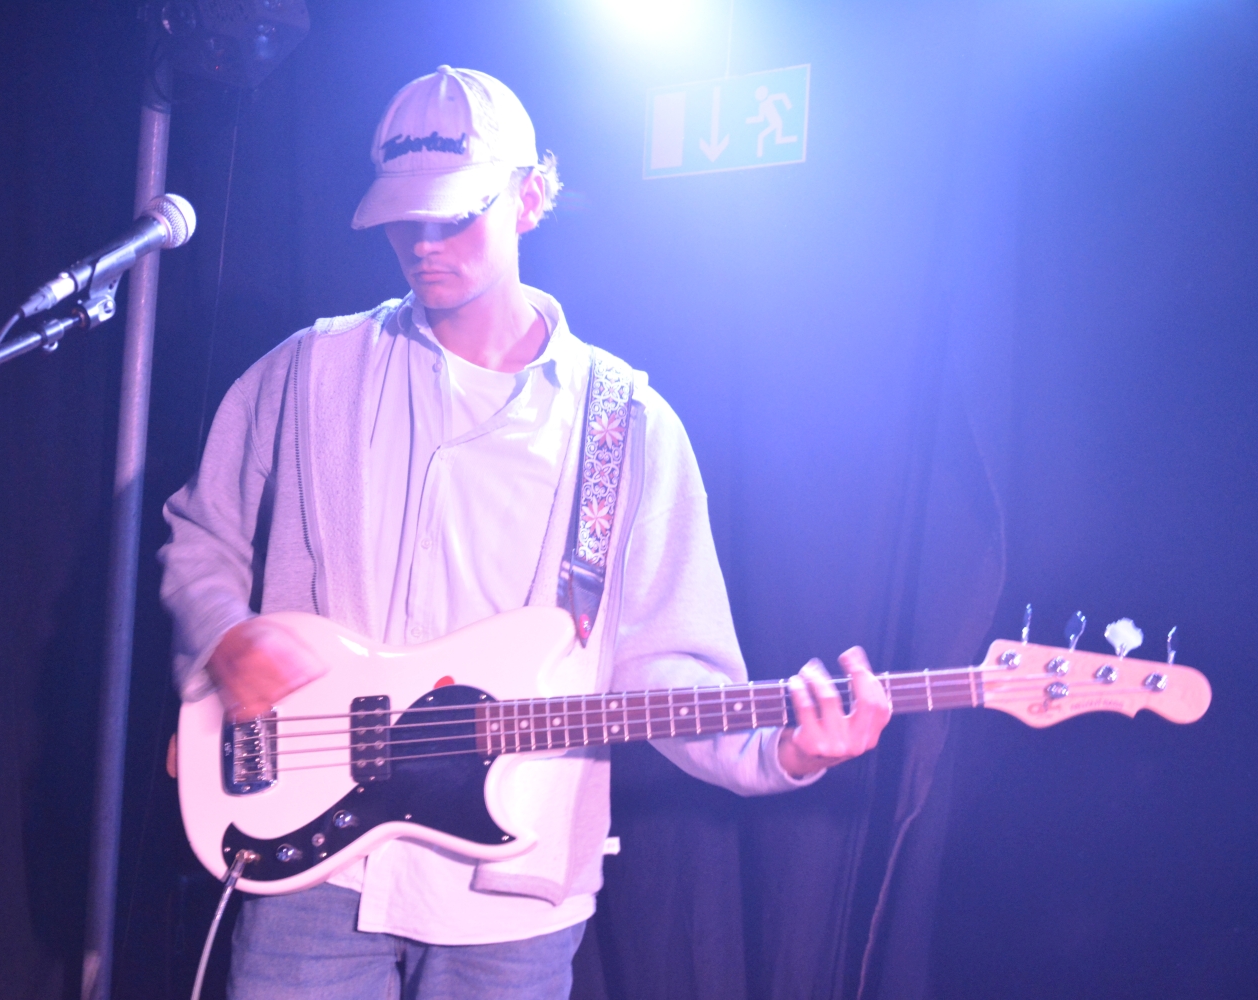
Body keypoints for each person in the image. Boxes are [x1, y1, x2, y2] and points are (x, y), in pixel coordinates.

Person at [159, 65, 892, 1000]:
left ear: (532, 197)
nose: (424, 244)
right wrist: (225, 637)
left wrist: (786, 752)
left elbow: (667, 668)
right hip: (308, 866)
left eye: (456, 215)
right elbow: (201, 536)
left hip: (512, 905)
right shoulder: (309, 372)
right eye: (403, 218)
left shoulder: (627, 425)